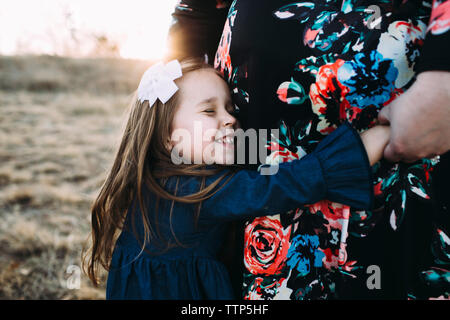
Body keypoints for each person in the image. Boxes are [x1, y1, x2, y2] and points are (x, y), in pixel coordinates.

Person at [167, 0, 450, 299]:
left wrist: (444, 73)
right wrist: (172, 107)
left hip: (402, 114)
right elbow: (197, 9)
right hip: (256, 138)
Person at [82, 58, 389, 299]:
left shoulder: (153, 179)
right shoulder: (198, 193)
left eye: (230, 108)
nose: (230, 118)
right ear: (167, 137)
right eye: (209, 111)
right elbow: (283, 185)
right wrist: (368, 145)